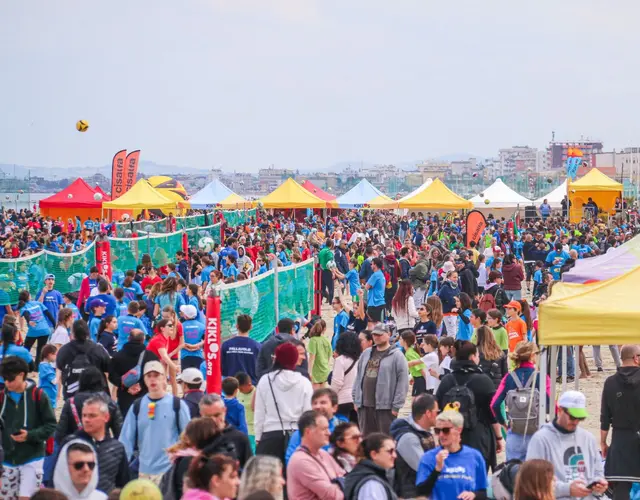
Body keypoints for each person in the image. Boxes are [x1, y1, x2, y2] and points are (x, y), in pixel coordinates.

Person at [526, 390, 608, 499]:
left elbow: (598, 472)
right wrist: (567, 489)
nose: (576, 422)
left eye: (580, 418)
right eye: (573, 417)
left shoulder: (588, 438)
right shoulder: (541, 439)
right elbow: (533, 482)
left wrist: (599, 485)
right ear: (560, 411)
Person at [119, 361, 190, 484]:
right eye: (149, 376)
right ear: (144, 380)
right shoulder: (137, 406)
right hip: (144, 472)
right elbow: (126, 440)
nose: (153, 379)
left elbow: (189, 439)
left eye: (156, 375)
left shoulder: (177, 405)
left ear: (164, 378)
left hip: (170, 472)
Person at [435, 341, 503, 470]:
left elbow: (437, 407)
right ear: (472, 357)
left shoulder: (447, 380)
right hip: (478, 435)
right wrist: (499, 437)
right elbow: (492, 412)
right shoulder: (483, 380)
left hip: (451, 435)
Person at [0, 357, 57, 500]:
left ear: (21, 375)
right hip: (7, 458)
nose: (7, 383)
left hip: (33, 456)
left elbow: (51, 425)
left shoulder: (38, 396)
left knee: (27, 498)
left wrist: (30, 435)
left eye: (10, 379)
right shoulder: (2, 397)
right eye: (4, 379)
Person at [55, 395, 129, 495]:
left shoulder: (117, 448)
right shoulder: (70, 444)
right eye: (84, 415)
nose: (86, 420)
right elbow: (55, 479)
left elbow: (124, 485)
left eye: (92, 416)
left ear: (106, 417)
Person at [254, 342, 313, 466]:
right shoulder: (304, 382)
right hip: (297, 436)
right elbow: (308, 413)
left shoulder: (265, 380)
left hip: (270, 434)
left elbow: (259, 412)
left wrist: (258, 437)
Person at [491, 341, 551, 461]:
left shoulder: (509, 377)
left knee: (514, 475)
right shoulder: (541, 377)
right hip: (537, 431)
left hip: (515, 432)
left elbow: (494, 405)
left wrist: (504, 424)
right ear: (532, 356)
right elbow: (550, 405)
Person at [416, 410, 487, 500]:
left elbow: (483, 492)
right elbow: (420, 493)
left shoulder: (475, 456)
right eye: (437, 431)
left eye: (446, 430)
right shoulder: (428, 458)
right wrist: (437, 470)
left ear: (459, 430)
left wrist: (473, 495)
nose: (441, 435)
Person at [352, 323, 409, 436]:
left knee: (385, 439)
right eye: (374, 335)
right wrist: (355, 398)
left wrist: (396, 406)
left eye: (380, 334)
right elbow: (358, 377)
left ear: (388, 334)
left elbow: (402, 382)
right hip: (364, 405)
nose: (376, 337)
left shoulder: (397, 356)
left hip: (385, 407)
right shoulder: (366, 353)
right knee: (367, 440)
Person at [600, 344, 640, 499]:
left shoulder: (610, 382)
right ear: (636, 358)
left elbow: (605, 417)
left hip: (620, 440)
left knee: (621, 488)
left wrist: (603, 442)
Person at [286, 410, 345, 500]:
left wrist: (339, 486)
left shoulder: (324, 454)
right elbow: (331, 495)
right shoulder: (300, 461)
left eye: (328, 428)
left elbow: (346, 480)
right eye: (324, 429)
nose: (328, 433)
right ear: (308, 432)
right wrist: (339, 486)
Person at [55, 367, 123, 444]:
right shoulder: (109, 402)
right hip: (102, 447)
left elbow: (60, 434)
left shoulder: (71, 402)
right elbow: (120, 433)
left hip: (77, 447)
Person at [389, 394, 438, 499]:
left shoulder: (424, 432)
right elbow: (424, 468)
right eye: (436, 412)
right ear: (428, 413)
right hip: (411, 494)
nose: (438, 415)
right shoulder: (409, 438)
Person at [285, 388, 344, 464]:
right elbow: (290, 460)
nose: (317, 406)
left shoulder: (343, 429)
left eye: (323, 402)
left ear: (334, 408)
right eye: (315, 403)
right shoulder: (302, 432)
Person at [108, 328, 159, 417]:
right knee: (148, 422)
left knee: (127, 425)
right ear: (143, 340)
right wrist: (141, 385)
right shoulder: (151, 356)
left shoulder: (117, 356)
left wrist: (123, 384)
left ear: (128, 339)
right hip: (147, 397)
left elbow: (111, 376)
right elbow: (157, 376)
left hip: (125, 397)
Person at [56, 320, 110, 399]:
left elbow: (59, 369)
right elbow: (108, 368)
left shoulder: (64, 350)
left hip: (72, 393)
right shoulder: (98, 348)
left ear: (72, 333)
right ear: (87, 332)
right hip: (96, 393)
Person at [199, 393, 254, 469]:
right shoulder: (196, 437)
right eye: (208, 417)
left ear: (224, 410)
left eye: (217, 415)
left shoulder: (240, 439)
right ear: (201, 414)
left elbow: (249, 471)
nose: (213, 420)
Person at [343, 433, 398, 500]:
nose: (395, 456)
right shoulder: (371, 484)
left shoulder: (368, 475)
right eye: (390, 451)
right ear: (374, 454)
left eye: (395, 451)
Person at [330, 331, 361, 422]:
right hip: (357, 400)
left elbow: (337, 382)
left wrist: (331, 396)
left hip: (342, 400)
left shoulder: (341, 360)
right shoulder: (360, 359)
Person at [221, 314, 261, 384]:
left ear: (236, 326)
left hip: (230, 386)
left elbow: (221, 367)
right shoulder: (257, 346)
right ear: (251, 327)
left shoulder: (226, 345)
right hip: (250, 386)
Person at [180, 304, 206, 371]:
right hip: (198, 355)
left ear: (185, 316)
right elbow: (205, 340)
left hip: (185, 356)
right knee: (198, 378)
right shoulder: (202, 326)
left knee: (186, 378)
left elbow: (179, 341)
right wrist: (196, 346)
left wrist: (188, 347)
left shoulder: (181, 326)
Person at [307, 319, 332, 388]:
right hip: (325, 370)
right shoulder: (326, 340)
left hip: (316, 372)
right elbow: (329, 356)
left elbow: (312, 358)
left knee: (315, 396)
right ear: (325, 329)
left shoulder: (313, 340)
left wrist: (309, 372)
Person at [365, 257, 387, 323]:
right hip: (381, 302)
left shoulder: (375, 275)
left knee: (373, 326)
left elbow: (367, 287)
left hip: (374, 303)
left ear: (375, 265)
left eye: (371, 264)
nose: (371, 266)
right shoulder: (381, 274)